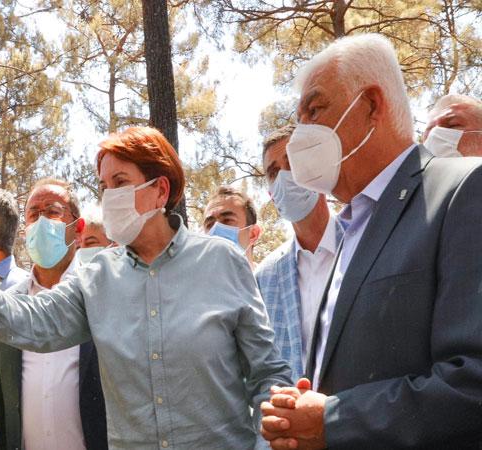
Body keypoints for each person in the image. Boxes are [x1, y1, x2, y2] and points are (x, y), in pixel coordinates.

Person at [0, 126, 292, 449]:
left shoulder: (221, 262)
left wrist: (271, 433)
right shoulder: (98, 277)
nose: (109, 197)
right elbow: (30, 320)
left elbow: (267, 373)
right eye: (104, 187)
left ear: (160, 190)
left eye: (120, 182)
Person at [260, 34, 482, 450]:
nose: (299, 136)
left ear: (371, 105)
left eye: (315, 109)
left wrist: (334, 419)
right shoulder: (351, 226)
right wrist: (301, 409)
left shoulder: (464, 189)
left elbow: (473, 378)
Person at [0, 178, 108, 450]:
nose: (41, 222)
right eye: (33, 214)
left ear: (78, 229)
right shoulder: (8, 305)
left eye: (52, 212)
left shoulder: (100, 295)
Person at [254, 124, 343, 380]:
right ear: (271, 194)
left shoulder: (362, 243)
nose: (284, 174)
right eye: (273, 172)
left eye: (293, 161)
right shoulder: (265, 277)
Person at [201, 186, 261, 267]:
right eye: (209, 224)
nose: (215, 229)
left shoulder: (270, 277)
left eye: (227, 220)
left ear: (253, 234)